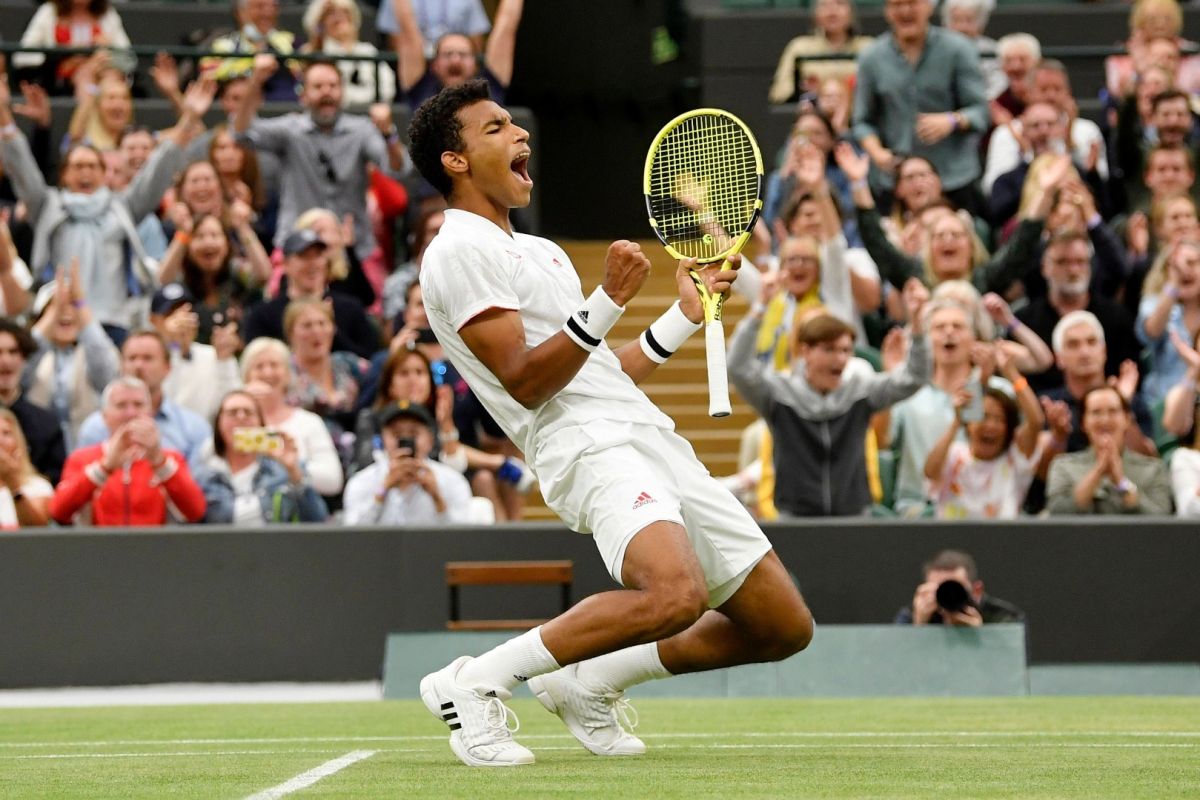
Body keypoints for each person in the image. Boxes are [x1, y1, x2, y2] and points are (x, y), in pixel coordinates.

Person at [410, 80, 813, 766]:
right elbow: (529, 382)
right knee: (674, 593)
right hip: (583, 446)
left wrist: (682, 315)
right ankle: (478, 682)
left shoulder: (541, 253)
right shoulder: (458, 250)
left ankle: (590, 682)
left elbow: (595, 373)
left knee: (781, 625)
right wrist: (606, 298)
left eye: (516, 124)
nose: (520, 136)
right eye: (496, 128)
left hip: (644, 432)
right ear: (453, 161)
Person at [0, 77, 217, 345]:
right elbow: (22, 169)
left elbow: (157, 170)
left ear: (104, 174)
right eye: (78, 167)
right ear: (65, 175)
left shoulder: (123, 206)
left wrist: (189, 119)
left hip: (114, 323)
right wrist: (3, 114)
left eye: (92, 166)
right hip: (62, 322)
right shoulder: (48, 206)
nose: (86, 173)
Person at [728, 287, 930, 517]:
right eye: (830, 350)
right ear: (806, 351)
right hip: (794, 520)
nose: (840, 359)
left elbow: (914, 378)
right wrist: (759, 310)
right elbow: (738, 368)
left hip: (853, 519)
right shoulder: (779, 395)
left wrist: (918, 329)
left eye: (846, 350)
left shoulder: (861, 391)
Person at [233, 56, 408, 266]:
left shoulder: (362, 130)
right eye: (318, 86)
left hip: (353, 249)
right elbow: (241, 134)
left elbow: (397, 169)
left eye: (333, 86)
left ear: (342, 92)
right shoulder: (291, 130)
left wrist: (389, 134)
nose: (327, 92)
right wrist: (255, 82)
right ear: (304, 95)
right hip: (296, 246)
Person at [851, 0, 988, 212]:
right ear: (887, 11)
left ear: (929, 6)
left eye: (912, 3)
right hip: (896, 182)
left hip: (953, 179)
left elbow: (980, 111)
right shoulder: (872, 57)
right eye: (897, 4)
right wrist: (877, 152)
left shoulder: (958, 49)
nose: (905, 11)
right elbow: (862, 121)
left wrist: (951, 120)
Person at [50, 376, 207, 525]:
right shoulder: (83, 459)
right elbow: (59, 511)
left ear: (150, 412)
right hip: (96, 549)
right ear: (105, 416)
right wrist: (105, 467)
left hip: (157, 549)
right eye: (121, 405)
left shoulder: (170, 458)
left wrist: (158, 461)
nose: (131, 413)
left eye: (138, 405)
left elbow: (195, 511)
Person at [924, 344, 1044, 519]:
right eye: (984, 417)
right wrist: (958, 421)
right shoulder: (954, 454)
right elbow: (930, 472)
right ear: (969, 424)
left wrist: (1011, 374)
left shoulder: (1014, 458)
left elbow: (1036, 421)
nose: (990, 426)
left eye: (999, 419)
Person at [1016, 230, 1142, 395]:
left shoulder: (1116, 318)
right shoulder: (1025, 322)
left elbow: (1131, 373)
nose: (1073, 270)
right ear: (1045, 268)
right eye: (1063, 262)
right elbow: (1017, 382)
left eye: (1080, 262)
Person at [76, 330, 213, 472]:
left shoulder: (193, 428)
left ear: (167, 367)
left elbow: (199, 487)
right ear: (121, 366)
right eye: (132, 358)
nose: (138, 366)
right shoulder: (95, 427)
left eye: (147, 358)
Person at [25, 261, 120, 451]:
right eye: (57, 306)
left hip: (89, 452)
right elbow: (21, 363)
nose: (66, 312)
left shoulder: (91, 353)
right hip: (38, 452)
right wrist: (53, 312)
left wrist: (82, 303)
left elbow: (108, 374)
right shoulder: (33, 355)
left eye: (72, 305)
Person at [241, 228, 378, 359]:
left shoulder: (351, 308)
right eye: (304, 257)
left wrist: (330, 331)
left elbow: (369, 361)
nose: (312, 264)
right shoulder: (263, 315)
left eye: (318, 255)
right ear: (286, 264)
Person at [200, 389, 328, 524]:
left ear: (261, 423)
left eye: (249, 412)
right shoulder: (204, 475)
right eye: (232, 412)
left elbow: (317, 520)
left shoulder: (284, 469)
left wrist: (293, 471)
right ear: (218, 423)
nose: (241, 417)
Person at [239, 336, 343, 497]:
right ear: (246, 376)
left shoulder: (309, 422)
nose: (267, 372)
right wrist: (241, 403)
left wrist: (291, 465)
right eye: (259, 366)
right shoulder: (233, 421)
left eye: (274, 365)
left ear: (288, 374)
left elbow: (333, 480)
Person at [1046, 385, 1172, 515]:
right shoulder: (1063, 466)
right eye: (1096, 412)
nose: (1104, 420)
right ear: (1083, 422)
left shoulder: (1153, 469)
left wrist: (1121, 482)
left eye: (1113, 411)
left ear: (1127, 419)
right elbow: (1058, 513)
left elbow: (1160, 519)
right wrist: (1098, 471)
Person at [342, 400, 472, 525]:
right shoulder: (361, 481)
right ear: (383, 438)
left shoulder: (453, 481)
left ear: (430, 439)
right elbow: (352, 538)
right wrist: (383, 489)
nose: (405, 440)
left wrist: (437, 497)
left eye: (413, 433)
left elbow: (462, 540)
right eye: (396, 434)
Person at [393, 0, 524, 108]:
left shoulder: (490, 87)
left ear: (475, 63)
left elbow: (507, 23)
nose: (455, 60)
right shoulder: (421, 88)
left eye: (463, 54)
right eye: (447, 54)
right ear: (435, 64)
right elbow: (407, 28)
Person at [150, 283, 243, 423]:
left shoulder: (213, 355)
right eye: (170, 314)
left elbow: (231, 404)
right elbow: (158, 401)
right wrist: (173, 346)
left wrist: (224, 361)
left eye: (187, 312)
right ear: (153, 321)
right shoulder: (147, 356)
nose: (182, 320)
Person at [13, 0, 132, 95]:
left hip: (100, 72)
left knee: (110, 77)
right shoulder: (48, 11)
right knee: (84, 76)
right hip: (58, 80)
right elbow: (22, 56)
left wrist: (108, 46)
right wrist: (63, 53)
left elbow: (129, 58)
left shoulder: (108, 13)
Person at [767, 0, 872, 105]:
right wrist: (801, 92)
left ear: (852, 12)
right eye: (824, 5)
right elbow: (779, 94)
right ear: (815, 14)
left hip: (860, 113)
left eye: (840, 3)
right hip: (814, 114)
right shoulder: (799, 48)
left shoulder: (869, 47)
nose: (832, 12)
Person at [0, 317, 65, 484]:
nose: (5, 361)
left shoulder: (47, 424)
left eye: (13, 352)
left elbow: (57, 483)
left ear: (24, 358)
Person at [1136, 238, 1200, 405]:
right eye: (1176, 266)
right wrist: (1173, 284)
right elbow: (1151, 332)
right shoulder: (1155, 304)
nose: (1185, 271)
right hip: (1167, 404)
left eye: (1192, 263)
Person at [301, 0, 396, 107]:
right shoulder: (314, 50)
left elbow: (388, 90)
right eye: (331, 13)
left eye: (345, 12)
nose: (339, 17)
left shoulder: (368, 51)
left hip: (368, 115)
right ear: (320, 22)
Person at [894, 550, 1025, 625]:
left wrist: (981, 636)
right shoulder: (911, 615)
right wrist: (919, 626)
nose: (948, 596)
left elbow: (1013, 665)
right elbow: (894, 665)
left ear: (976, 590)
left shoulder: (1004, 617)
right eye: (939, 590)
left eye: (955, 588)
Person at [204, 0, 300, 102]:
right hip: (239, 109)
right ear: (241, 12)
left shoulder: (291, 41)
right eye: (259, 6)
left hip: (286, 108)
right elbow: (208, 80)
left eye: (273, 7)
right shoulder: (222, 46)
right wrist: (254, 68)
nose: (268, 13)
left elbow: (302, 76)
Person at [0, 406, 52, 529]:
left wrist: (13, 484)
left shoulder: (38, 486)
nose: (0, 440)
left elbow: (35, 529)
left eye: (6, 433)